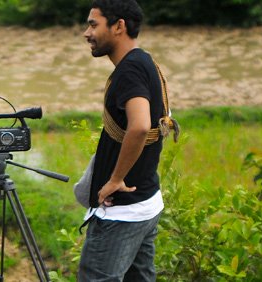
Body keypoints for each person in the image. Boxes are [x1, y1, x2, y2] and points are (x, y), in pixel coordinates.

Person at [78, 0, 180, 281]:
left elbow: (139, 126)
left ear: (119, 26)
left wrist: (115, 179)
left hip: (121, 212)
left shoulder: (129, 71)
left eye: (93, 24)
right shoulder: (145, 61)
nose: (86, 33)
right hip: (146, 202)